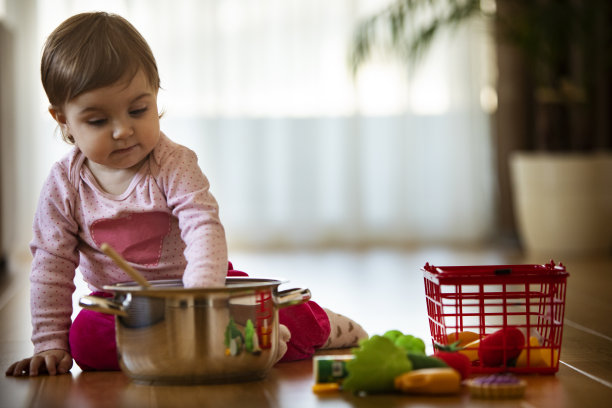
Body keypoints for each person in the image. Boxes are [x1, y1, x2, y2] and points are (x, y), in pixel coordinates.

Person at [5, 12, 366, 377]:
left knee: (277, 310)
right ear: (61, 119)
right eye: (98, 121)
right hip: (124, 304)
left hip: (204, 287)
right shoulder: (64, 184)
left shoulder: (173, 162)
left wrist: (200, 301)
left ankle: (324, 327)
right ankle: (211, 347)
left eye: (138, 110)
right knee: (84, 339)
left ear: (156, 96)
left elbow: (203, 227)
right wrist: (50, 342)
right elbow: (50, 265)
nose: (122, 131)